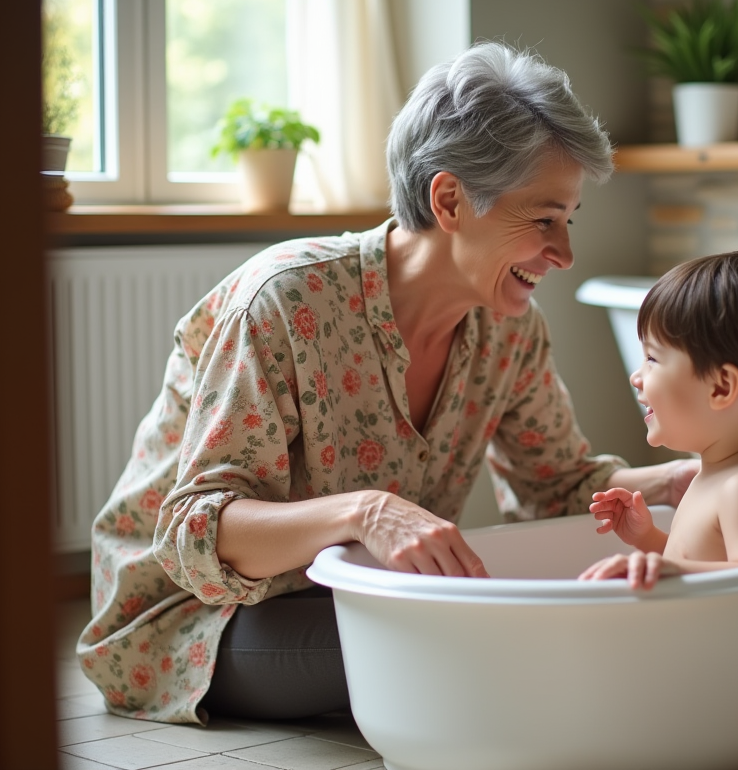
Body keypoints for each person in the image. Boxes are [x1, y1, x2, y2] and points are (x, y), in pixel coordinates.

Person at [78, 42, 698, 724]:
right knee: (497, 643)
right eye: (543, 219)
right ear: (450, 199)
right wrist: (364, 512)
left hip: (347, 592)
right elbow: (196, 531)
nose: (565, 253)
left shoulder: (509, 329)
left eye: (568, 220)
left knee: (557, 622)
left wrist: (673, 482)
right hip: (195, 619)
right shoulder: (287, 300)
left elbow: (557, 486)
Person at [578, 251, 738, 590]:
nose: (636, 377)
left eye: (652, 359)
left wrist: (671, 567)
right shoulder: (719, 473)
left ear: (721, 387)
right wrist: (648, 538)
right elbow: (707, 562)